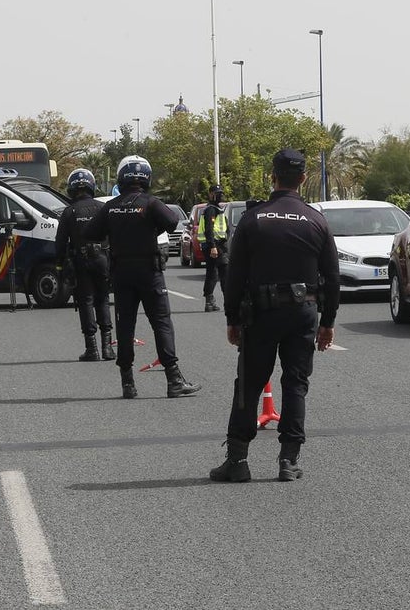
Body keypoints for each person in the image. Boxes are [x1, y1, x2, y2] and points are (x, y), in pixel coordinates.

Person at [210, 148, 340, 483]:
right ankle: (288, 460)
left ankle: (237, 461)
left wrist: (231, 319)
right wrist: (328, 322)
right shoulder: (316, 219)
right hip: (303, 312)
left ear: (273, 176)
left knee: (249, 385)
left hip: (261, 314)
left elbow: (234, 275)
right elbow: (333, 276)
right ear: (303, 179)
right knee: (296, 383)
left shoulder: (254, 219)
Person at [85, 155, 201, 399]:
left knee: (125, 326)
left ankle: (127, 383)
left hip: (121, 273)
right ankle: (174, 379)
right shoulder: (150, 203)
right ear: (146, 177)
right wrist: (148, 227)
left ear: (121, 177)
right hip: (149, 272)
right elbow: (172, 223)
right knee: (161, 322)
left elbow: (90, 232)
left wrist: (115, 232)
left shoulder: (111, 206)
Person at [55, 168, 113, 361]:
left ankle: (92, 349)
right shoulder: (102, 207)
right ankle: (107, 348)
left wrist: (60, 266)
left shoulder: (69, 211)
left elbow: (60, 243)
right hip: (103, 259)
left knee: (86, 301)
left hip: (81, 261)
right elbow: (113, 235)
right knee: (103, 299)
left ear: (71, 188)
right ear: (92, 186)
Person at [198, 183, 229, 312]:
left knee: (215, 272)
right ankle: (225, 300)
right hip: (214, 245)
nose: (219, 195)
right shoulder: (211, 209)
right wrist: (213, 247)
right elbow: (209, 230)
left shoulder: (216, 208)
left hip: (218, 245)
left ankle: (210, 302)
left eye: (221, 193)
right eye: (217, 193)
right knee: (221, 273)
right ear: (211, 194)